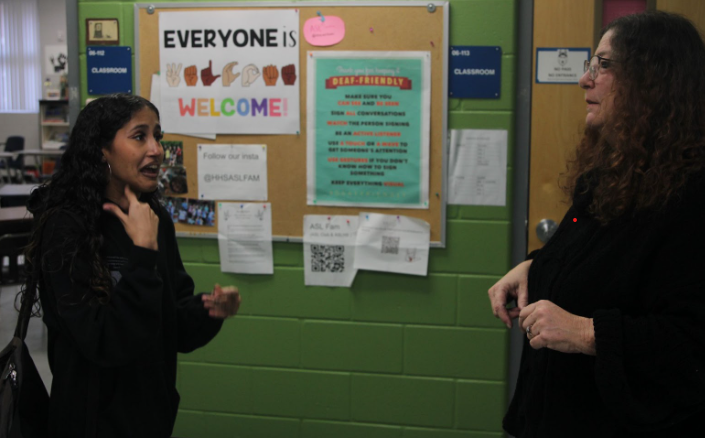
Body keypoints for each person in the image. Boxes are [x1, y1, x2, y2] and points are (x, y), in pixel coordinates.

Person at [488, 11, 705, 438]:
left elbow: (690, 344)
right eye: (591, 65)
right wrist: (537, 265)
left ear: (653, 81)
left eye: (603, 65)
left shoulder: (692, 196)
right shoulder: (612, 174)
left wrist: (588, 333)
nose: (585, 80)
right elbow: (596, 254)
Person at [22, 93, 241, 437]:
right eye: (140, 136)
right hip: (90, 424)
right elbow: (102, 341)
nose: (156, 149)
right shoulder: (66, 227)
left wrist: (208, 310)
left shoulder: (154, 219)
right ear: (101, 150)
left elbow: (172, 328)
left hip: (151, 418)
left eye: (158, 136)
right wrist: (142, 255)